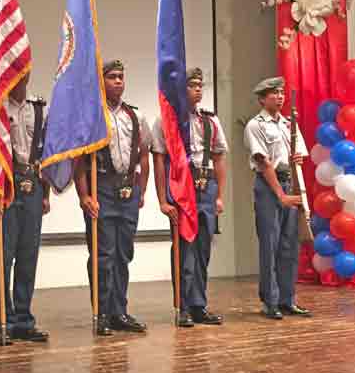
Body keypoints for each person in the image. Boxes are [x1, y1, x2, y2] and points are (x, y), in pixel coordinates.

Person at [75, 59, 152, 336]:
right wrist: (84, 195)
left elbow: (144, 154)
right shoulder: (92, 117)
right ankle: (102, 313)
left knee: (123, 254)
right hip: (103, 190)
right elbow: (78, 160)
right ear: (101, 81)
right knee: (103, 255)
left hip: (127, 191)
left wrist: (141, 189)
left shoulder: (136, 116)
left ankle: (119, 311)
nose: (118, 81)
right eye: (112, 77)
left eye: (121, 76)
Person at [151, 67, 227, 328]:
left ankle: (198, 305)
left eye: (199, 85)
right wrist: (163, 200)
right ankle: (182, 306)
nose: (197, 89)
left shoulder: (210, 121)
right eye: (191, 85)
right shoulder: (167, 120)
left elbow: (219, 157)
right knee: (185, 250)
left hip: (206, 188)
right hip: (182, 188)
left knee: (203, 250)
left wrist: (220, 196)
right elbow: (159, 161)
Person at [0, 72, 51, 345]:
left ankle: (23, 319)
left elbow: (46, 153)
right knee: (4, 255)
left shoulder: (40, 108)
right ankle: (4, 319)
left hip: (33, 184)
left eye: (24, 72)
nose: (19, 77)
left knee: (28, 255)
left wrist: (45, 194)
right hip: (6, 185)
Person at [243, 76, 311, 320]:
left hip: (289, 181)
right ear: (262, 99)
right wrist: (280, 195)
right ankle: (270, 302)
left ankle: (287, 299)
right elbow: (263, 163)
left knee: (289, 245)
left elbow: (299, 155)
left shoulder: (288, 124)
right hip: (268, 186)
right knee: (270, 246)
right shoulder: (255, 125)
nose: (280, 97)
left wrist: (297, 163)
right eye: (274, 93)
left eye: (282, 92)